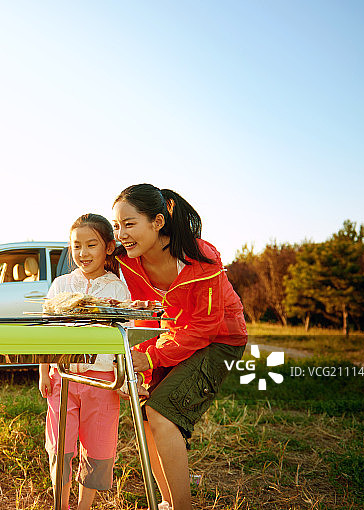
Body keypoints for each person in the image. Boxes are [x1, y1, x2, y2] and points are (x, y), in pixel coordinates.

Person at [111, 184, 248, 510]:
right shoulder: (130, 263)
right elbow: (145, 318)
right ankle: (170, 503)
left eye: (129, 224)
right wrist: (143, 372)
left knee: (161, 414)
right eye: (117, 226)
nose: (121, 234)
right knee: (146, 418)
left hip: (221, 339)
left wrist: (152, 357)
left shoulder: (201, 260)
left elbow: (204, 326)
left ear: (158, 221)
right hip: (174, 337)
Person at [39, 213, 131, 510]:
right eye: (76, 246)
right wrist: (44, 372)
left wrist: (125, 378)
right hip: (63, 378)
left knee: (98, 446)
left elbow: (123, 339)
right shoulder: (61, 285)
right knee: (61, 447)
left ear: (108, 248)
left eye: (91, 245)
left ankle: (83, 506)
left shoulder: (117, 289)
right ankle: (61, 504)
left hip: (103, 381)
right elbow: (47, 333)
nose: (83, 253)